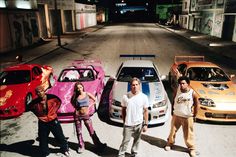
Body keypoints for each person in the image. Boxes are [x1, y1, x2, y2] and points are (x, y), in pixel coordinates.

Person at [28, 85, 70, 157]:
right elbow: (30, 108)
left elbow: (58, 102)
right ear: (36, 94)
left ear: (44, 91)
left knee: (59, 136)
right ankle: (45, 152)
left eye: (41, 91)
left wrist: (53, 111)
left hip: (53, 120)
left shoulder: (52, 97)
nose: (40, 93)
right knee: (42, 138)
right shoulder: (34, 102)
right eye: (38, 92)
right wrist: (39, 115)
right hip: (42, 122)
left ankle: (65, 149)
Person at [165, 76, 198, 157]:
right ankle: (170, 143)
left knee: (188, 134)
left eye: (183, 83)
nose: (181, 85)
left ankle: (192, 149)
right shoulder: (177, 91)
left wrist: (195, 115)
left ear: (188, 84)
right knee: (172, 131)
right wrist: (172, 110)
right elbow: (173, 100)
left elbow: (197, 105)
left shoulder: (193, 93)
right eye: (180, 83)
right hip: (177, 115)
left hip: (187, 117)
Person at [71, 82, 107, 154]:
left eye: (80, 87)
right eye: (77, 88)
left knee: (91, 131)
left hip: (86, 115)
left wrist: (89, 106)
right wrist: (76, 109)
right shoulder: (76, 96)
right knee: (79, 132)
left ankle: (98, 145)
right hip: (77, 116)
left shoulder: (87, 94)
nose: (79, 89)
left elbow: (95, 100)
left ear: (82, 87)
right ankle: (81, 146)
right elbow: (72, 102)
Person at [118, 77, 149, 157]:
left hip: (139, 124)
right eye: (133, 85)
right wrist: (124, 121)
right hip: (128, 124)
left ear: (139, 85)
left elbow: (146, 111)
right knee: (125, 141)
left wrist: (145, 124)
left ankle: (134, 153)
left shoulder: (144, 97)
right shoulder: (126, 96)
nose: (135, 86)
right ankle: (121, 154)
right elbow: (123, 109)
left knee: (137, 141)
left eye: (136, 84)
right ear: (130, 86)